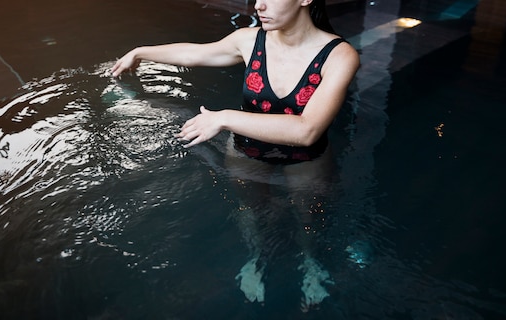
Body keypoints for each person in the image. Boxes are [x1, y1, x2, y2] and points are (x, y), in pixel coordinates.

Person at [112, 0, 359, 310]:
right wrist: (140, 51)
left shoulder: (339, 55)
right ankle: (257, 257)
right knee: (253, 210)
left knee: (309, 216)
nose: (259, 4)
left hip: (305, 158)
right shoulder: (249, 40)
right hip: (246, 151)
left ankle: (311, 264)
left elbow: (307, 130)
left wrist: (223, 117)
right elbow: (195, 53)